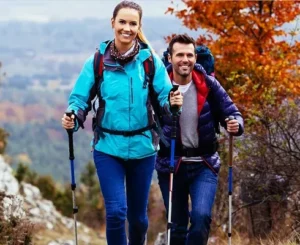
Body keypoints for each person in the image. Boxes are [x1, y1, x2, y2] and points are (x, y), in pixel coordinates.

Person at [61, 1, 183, 245]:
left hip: (143, 149)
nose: (127, 28)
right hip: (108, 148)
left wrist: (173, 102)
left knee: (138, 219)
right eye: (122, 22)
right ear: (112, 23)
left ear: (139, 27)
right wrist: (73, 116)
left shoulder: (150, 62)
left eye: (132, 23)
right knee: (116, 213)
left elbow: (164, 98)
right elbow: (79, 99)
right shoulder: (97, 62)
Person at [156, 34, 244, 245]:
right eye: (179, 55)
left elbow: (233, 113)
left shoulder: (209, 84)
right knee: (176, 226)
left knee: (201, 218)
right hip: (170, 165)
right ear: (170, 58)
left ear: (195, 57)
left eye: (189, 55)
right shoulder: (159, 86)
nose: (185, 60)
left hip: (204, 163)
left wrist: (235, 125)